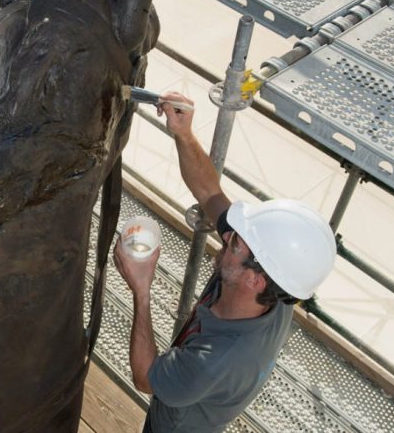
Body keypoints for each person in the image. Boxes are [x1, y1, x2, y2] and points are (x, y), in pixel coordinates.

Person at [113, 92, 337, 432]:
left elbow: (145, 377)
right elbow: (209, 194)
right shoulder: (270, 283)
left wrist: (141, 290)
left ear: (254, 280)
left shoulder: (217, 359)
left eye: (238, 243)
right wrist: (183, 133)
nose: (227, 236)